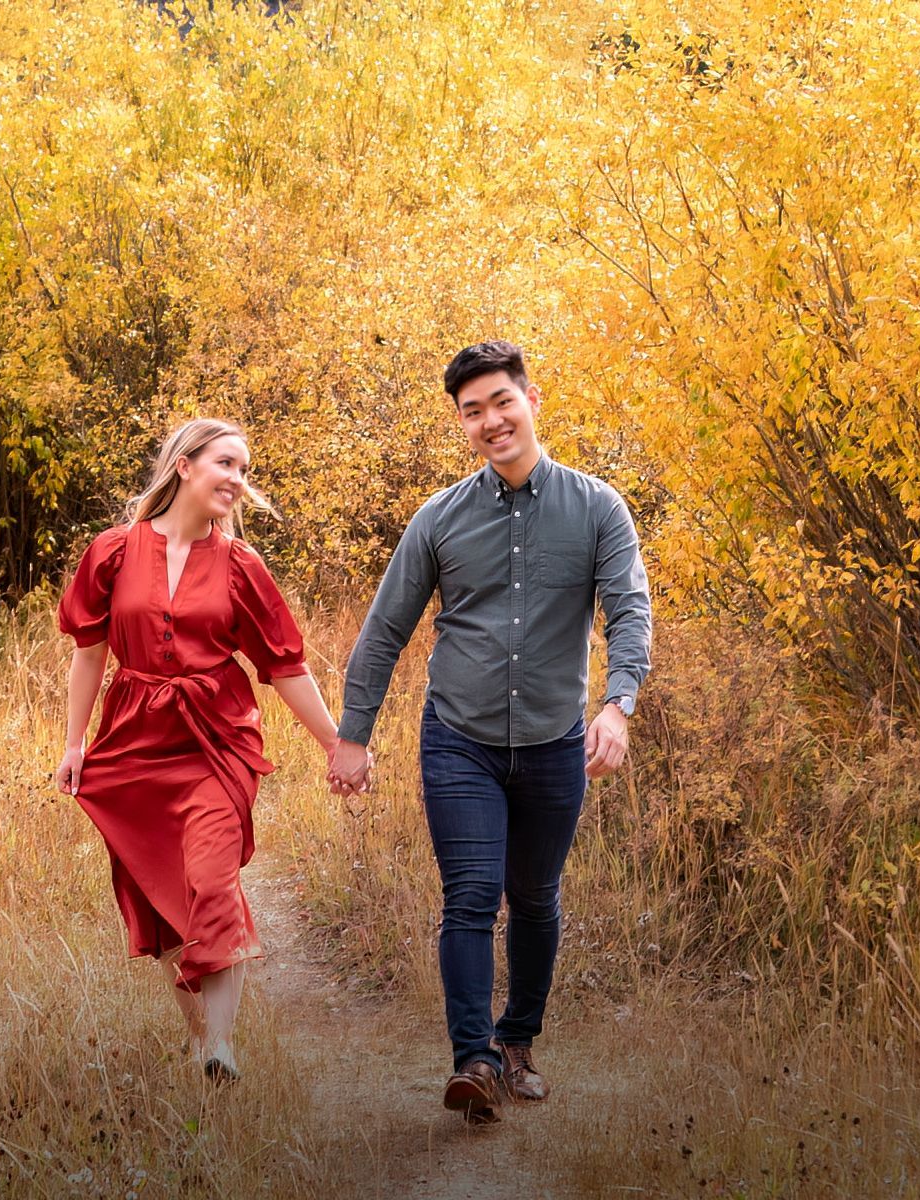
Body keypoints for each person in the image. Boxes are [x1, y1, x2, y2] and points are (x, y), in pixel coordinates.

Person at [328, 341, 652, 1123]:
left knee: (534, 896)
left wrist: (617, 703)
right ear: (463, 424)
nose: (489, 421)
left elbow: (629, 610)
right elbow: (383, 633)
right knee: (471, 893)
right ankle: (472, 1060)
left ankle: (516, 1043)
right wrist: (353, 733)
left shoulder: (597, 506)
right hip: (458, 736)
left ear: (531, 399)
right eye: (472, 411)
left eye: (500, 402)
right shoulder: (438, 519)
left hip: (551, 741)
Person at [54, 418, 347, 1083]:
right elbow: (89, 653)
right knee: (157, 897)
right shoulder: (113, 552)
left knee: (211, 880)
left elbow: (285, 667)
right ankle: (198, 1036)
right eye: (227, 464)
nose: (239, 482)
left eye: (245, 471)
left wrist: (335, 743)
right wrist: (75, 745)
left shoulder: (241, 567)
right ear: (184, 466)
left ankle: (221, 1047)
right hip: (131, 741)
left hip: (216, 739)